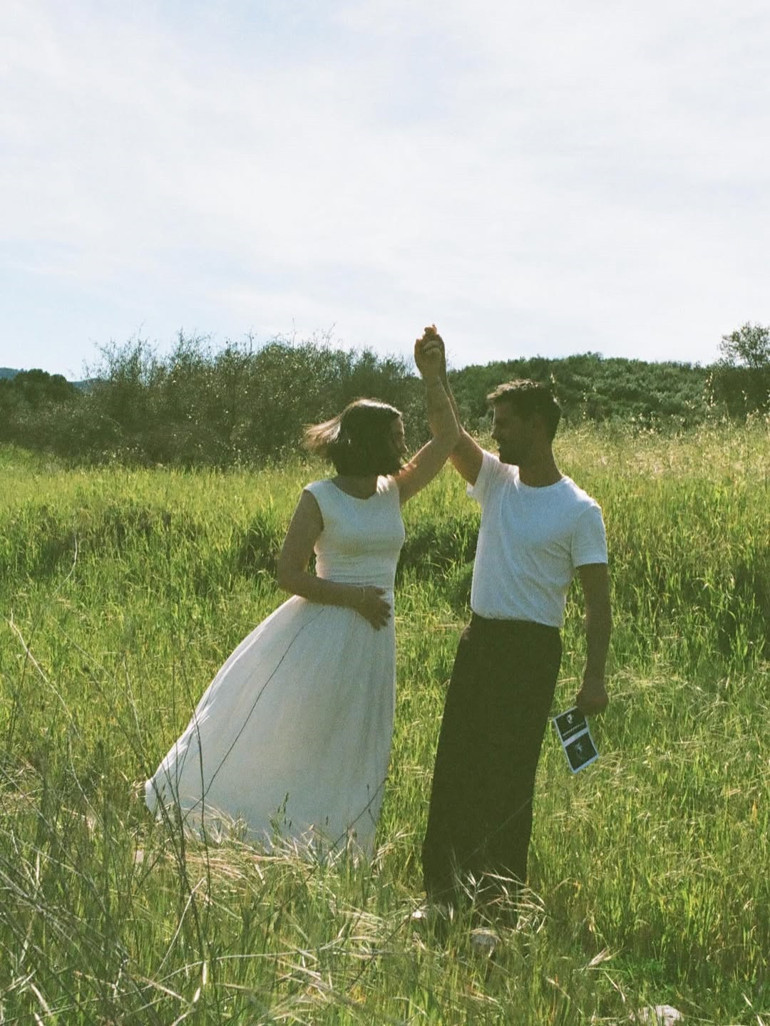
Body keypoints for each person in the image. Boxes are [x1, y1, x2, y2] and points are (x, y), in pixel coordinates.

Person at [146, 330, 458, 854]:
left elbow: (447, 438)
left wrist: (434, 376)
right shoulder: (320, 498)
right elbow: (288, 573)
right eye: (397, 435)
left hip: (372, 641)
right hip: (322, 633)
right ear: (369, 440)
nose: (404, 446)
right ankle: (267, 828)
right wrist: (354, 598)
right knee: (296, 734)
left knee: (354, 741)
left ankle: (336, 843)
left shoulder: (393, 491)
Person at [420, 328, 611, 922]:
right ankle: (443, 899)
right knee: (456, 766)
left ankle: (496, 908)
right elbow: (451, 436)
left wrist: (594, 678)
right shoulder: (496, 481)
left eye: (504, 421)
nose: (495, 432)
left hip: (531, 651)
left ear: (537, 424)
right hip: (480, 639)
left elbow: (597, 607)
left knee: (507, 777)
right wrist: (434, 376)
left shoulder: (580, 511)